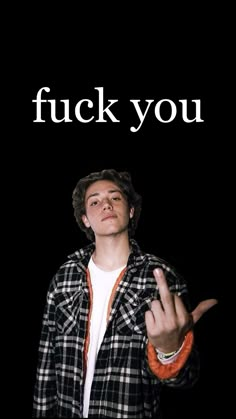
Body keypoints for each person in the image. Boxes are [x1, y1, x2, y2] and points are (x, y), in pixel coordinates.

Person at [32, 168, 217, 418]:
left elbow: (187, 380)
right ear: (85, 218)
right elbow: (46, 365)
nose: (106, 204)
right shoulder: (63, 277)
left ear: (130, 211)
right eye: (94, 201)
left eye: (115, 197)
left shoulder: (162, 278)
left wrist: (170, 350)